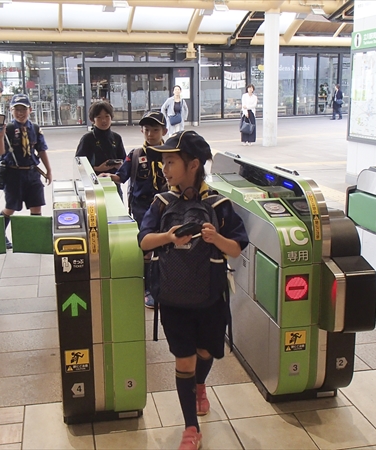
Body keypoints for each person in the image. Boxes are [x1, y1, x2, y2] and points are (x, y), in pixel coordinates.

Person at [138, 130, 248, 450]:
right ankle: (191, 427)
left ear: (194, 165)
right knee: (183, 359)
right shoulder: (161, 203)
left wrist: (216, 239)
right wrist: (169, 238)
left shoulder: (219, 204)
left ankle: (200, 384)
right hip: (172, 297)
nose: (164, 168)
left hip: (211, 297)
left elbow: (237, 248)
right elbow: (144, 241)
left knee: (205, 353)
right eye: (163, 162)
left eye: (171, 161)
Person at [99, 111, 168, 308]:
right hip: (142, 208)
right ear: (141, 131)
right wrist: (108, 176)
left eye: (155, 130)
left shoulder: (171, 154)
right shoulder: (136, 154)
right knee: (146, 247)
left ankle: (164, 283)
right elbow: (122, 176)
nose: (150, 134)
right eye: (146, 130)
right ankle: (148, 287)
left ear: (164, 130)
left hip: (166, 206)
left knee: (164, 246)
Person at [0, 94, 52, 249]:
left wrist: (48, 170)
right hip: (14, 174)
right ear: (11, 110)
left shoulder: (35, 128)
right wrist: (0, 136)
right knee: (11, 207)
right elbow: (0, 152)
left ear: (30, 110)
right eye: (17, 109)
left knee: (36, 205)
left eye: (23, 109)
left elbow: (41, 150)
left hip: (32, 173)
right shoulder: (9, 129)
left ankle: (35, 238)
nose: (20, 113)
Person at [76, 101, 126, 197]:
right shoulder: (87, 139)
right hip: (94, 185)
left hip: (114, 184)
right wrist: (98, 168)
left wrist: (119, 165)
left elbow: (124, 160)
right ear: (92, 120)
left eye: (107, 116)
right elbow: (79, 165)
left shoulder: (116, 138)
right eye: (99, 117)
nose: (104, 120)